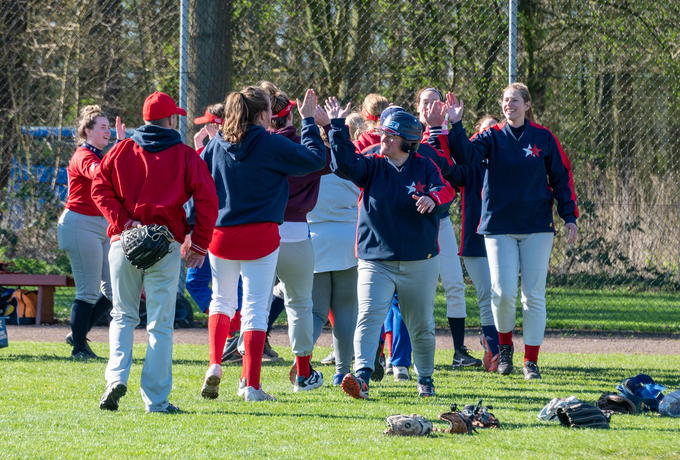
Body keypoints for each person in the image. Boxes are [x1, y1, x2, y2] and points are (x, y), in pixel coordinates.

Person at [197, 86, 326, 402]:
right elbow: (315, 159)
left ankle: (215, 363)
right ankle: (251, 386)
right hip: (261, 234)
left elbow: (200, 191)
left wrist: (194, 234)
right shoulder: (272, 143)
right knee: (255, 307)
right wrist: (309, 121)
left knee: (222, 300)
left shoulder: (215, 146)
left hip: (220, 235)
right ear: (265, 114)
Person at [92, 92, 218, 413]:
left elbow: (98, 188)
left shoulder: (121, 149)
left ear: (145, 119)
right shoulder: (186, 155)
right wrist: (199, 243)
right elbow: (207, 200)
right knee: (160, 324)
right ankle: (156, 400)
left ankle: (116, 379)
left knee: (122, 315)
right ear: (172, 120)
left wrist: (124, 222)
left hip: (124, 242)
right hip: (165, 243)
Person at [444, 82, 579, 379]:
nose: (509, 104)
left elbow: (561, 176)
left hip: (536, 226)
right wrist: (456, 123)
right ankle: (505, 351)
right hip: (499, 226)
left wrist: (569, 216)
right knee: (503, 293)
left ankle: (531, 361)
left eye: (515, 100)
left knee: (533, 295)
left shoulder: (543, 137)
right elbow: (465, 155)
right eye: (506, 100)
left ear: (527, 105)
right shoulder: (491, 136)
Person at [325, 97, 456, 399]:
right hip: (376, 258)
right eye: (383, 131)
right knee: (369, 315)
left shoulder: (425, 165)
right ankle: (361, 377)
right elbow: (345, 163)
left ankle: (425, 378)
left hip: (419, 260)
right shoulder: (372, 162)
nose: (382, 137)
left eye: (390, 134)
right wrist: (336, 126)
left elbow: (446, 190)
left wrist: (433, 200)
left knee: (420, 323)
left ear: (408, 142)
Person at [417, 87, 482, 369]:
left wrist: (452, 126)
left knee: (455, 283)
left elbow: (464, 168)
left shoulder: (446, 137)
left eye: (434, 102)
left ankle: (459, 351)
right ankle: (411, 353)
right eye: (424, 102)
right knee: (420, 289)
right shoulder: (408, 135)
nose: (429, 107)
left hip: (440, 220)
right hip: (412, 224)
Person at [57, 105, 125, 359]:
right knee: (87, 291)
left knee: (113, 291)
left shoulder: (98, 154)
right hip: (79, 224)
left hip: (99, 226)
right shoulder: (84, 155)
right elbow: (100, 175)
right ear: (88, 131)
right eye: (103, 127)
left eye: (109, 127)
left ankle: (78, 332)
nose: (108, 131)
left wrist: (118, 147)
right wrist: (120, 147)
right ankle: (79, 349)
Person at [462, 115, 502, 372]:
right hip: (475, 239)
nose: (488, 136)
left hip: (503, 237)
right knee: (487, 294)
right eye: (483, 132)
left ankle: (497, 344)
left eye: (493, 131)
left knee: (502, 294)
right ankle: (494, 349)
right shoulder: (469, 164)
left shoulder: (508, 163)